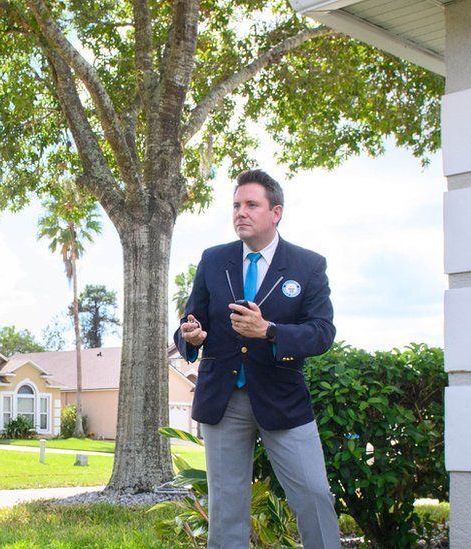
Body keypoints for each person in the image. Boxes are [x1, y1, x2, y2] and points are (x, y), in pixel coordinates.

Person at [173, 169, 340, 548]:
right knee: (226, 508)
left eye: (251, 205)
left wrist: (270, 331)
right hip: (223, 399)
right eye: (236, 205)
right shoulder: (213, 260)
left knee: (313, 495)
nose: (240, 213)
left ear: (275, 212)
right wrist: (191, 337)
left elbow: (322, 332)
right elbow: (189, 323)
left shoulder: (308, 265)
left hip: (283, 400)